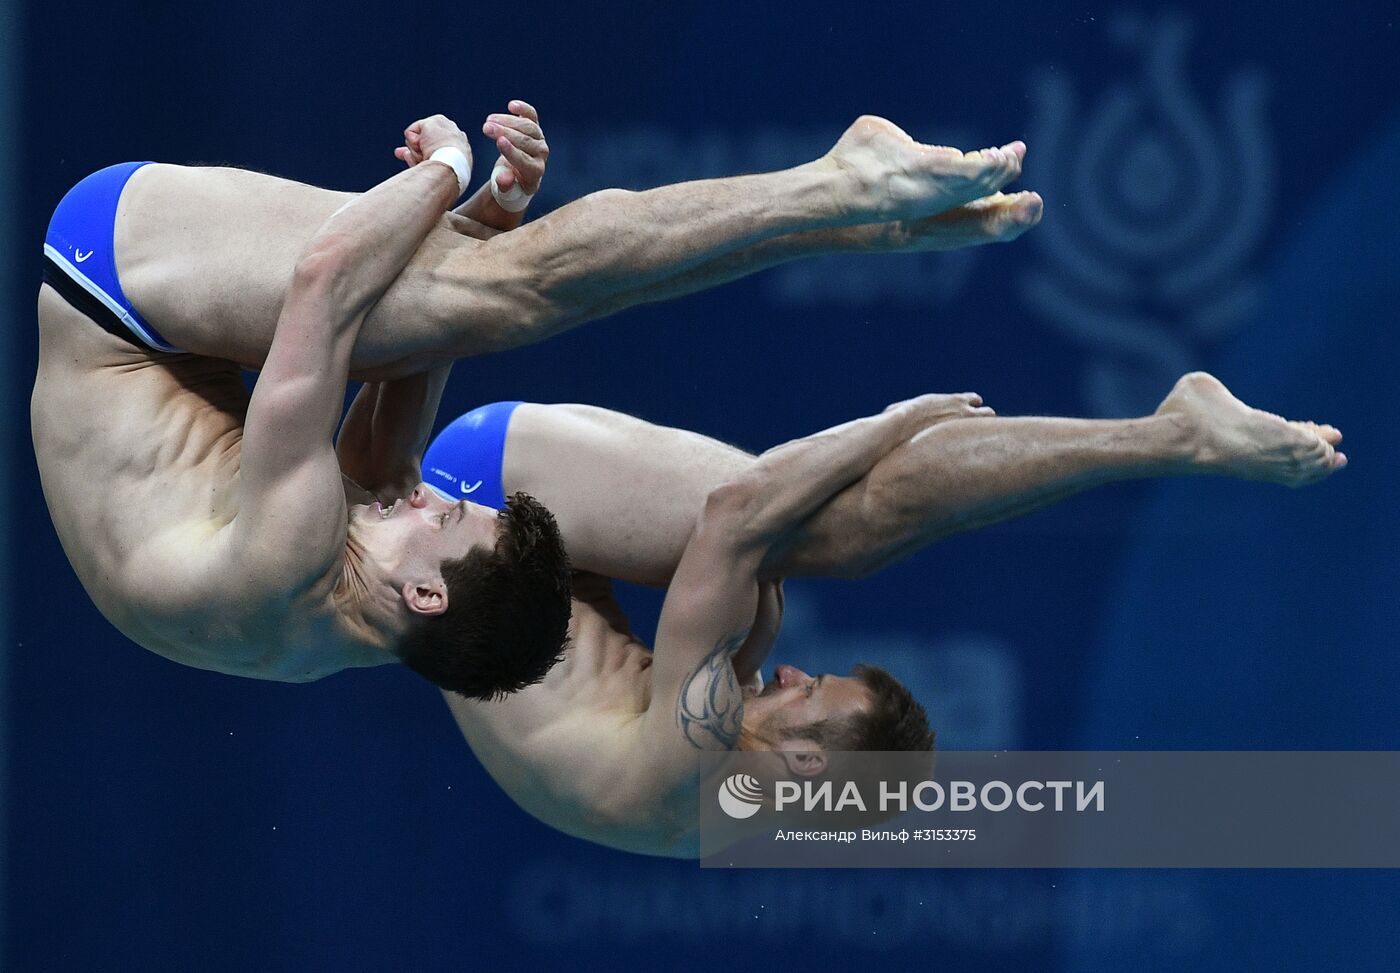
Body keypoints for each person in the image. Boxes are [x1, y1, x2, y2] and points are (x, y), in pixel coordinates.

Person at [35, 104, 1043, 692]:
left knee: (503, 295)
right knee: (491, 293)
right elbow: (405, 366)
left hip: (115, 276)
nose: (427, 495)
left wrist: (444, 172)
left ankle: (843, 188)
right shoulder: (361, 612)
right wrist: (488, 219)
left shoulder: (292, 552)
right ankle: (848, 223)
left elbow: (325, 283)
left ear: (425, 592)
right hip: (164, 340)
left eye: (444, 513)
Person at [414, 375, 1344, 856]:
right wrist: (746, 624)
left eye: (809, 691)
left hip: (476, 488)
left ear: (811, 760)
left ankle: (1174, 433)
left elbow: (733, 516)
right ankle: (1170, 437)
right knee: (783, 557)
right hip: (515, 562)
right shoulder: (732, 808)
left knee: (842, 529)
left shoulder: (697, 764)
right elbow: (728, 617)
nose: (787, 677)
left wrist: (891, 420)